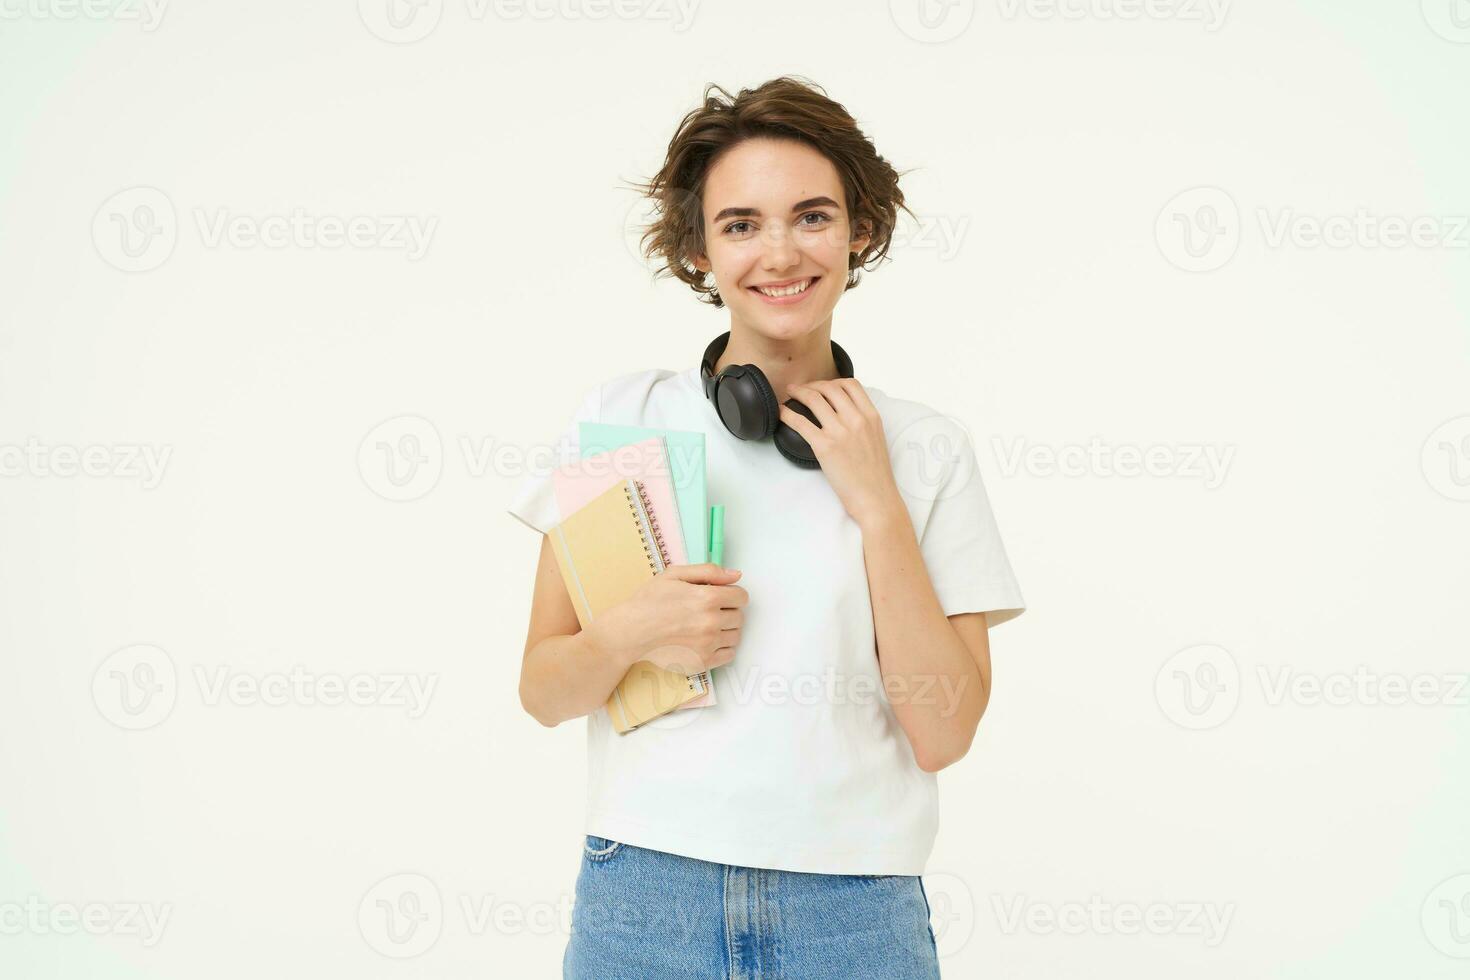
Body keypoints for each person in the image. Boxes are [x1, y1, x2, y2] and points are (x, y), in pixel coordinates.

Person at [507, 75, 1026, 979]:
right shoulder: (628, 417)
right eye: (741, 224)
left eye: (813, 216)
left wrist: (876, 506)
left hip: (853, 909)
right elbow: (544, 691)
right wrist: (634, 631)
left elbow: (943, 732)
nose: (779, 252)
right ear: (698, 251)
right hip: (645, 898)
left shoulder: (924, 448)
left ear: (861, 230)